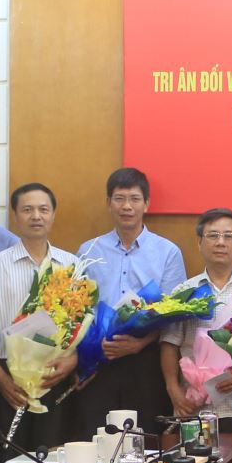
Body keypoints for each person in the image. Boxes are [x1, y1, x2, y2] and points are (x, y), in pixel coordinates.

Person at [76, 168, 187, 437]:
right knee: (98, 436)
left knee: (145, 437)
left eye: (135, 199)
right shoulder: (88, 251)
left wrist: (139, 343)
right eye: (120, 198)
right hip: (99, 359)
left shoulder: (168, 252)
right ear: (108, 203)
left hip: (146, 360)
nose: (127, 206)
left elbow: (173, 315)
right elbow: (78, 310)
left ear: (146, 204)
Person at [0, 182, 80, 457]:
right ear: (15, 215)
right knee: (6, 460)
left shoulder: (72, 266)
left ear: (53, 215)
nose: (36, 216)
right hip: (7, 378)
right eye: (27, 210)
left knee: (52, 458)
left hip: (53, 374)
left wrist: (73, 360)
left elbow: (82, 321)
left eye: (43, 209)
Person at [160, 209, 232, 433]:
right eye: (213, 235)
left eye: (228, 236)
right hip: (193, 408)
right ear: (199, 243)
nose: (220, 242)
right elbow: (169, 343)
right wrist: (173, 390)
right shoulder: (184, 291)